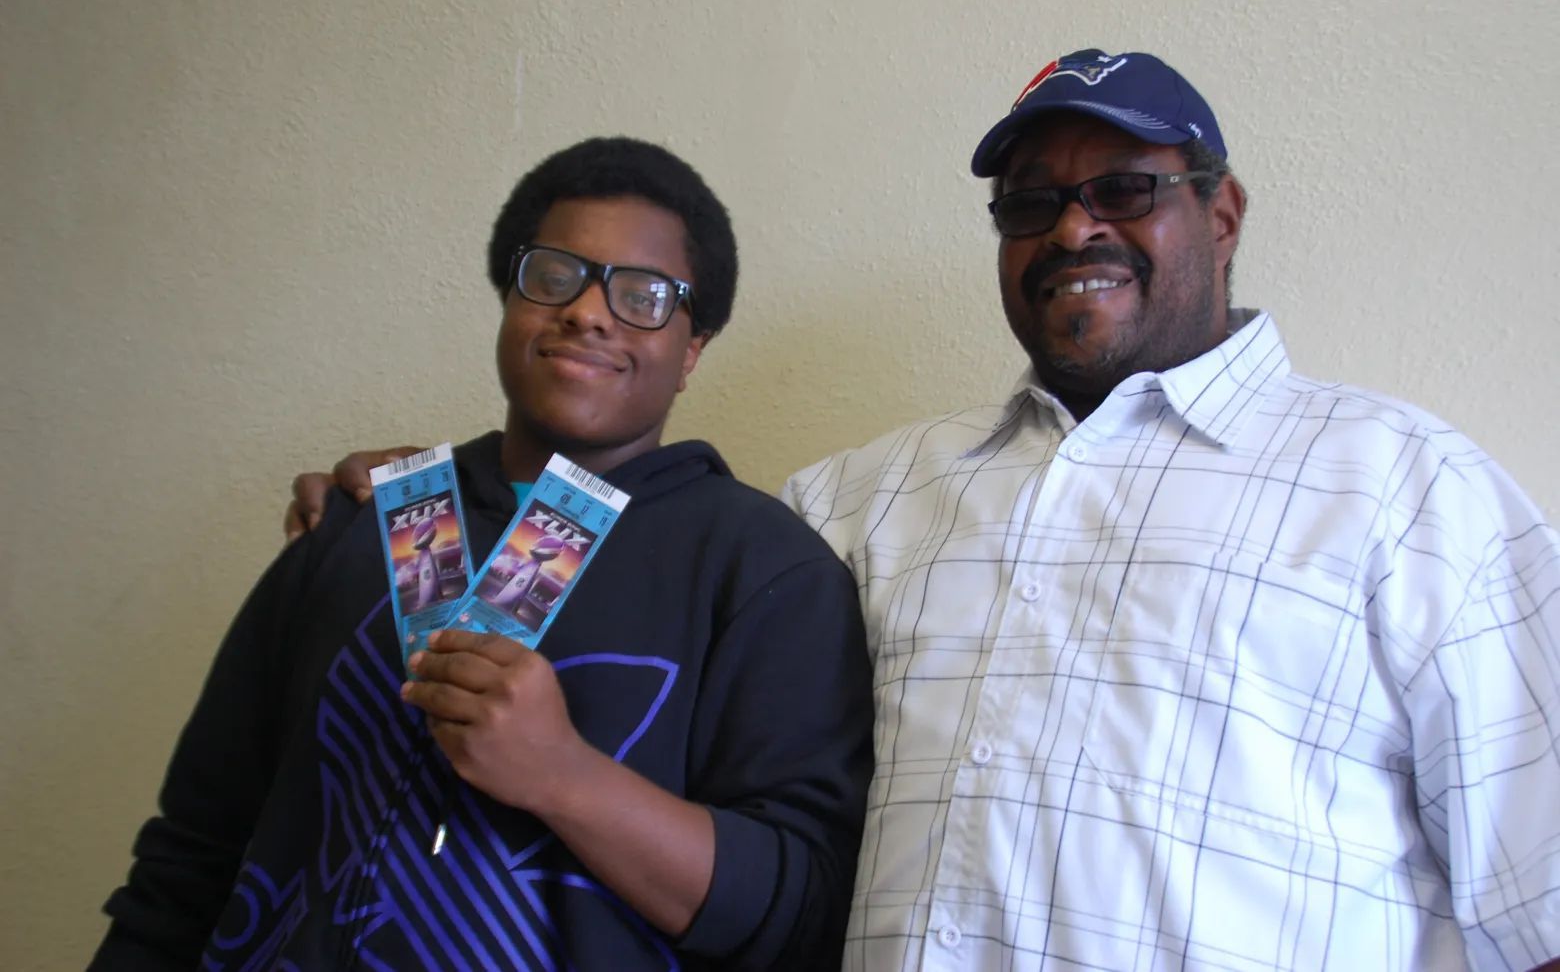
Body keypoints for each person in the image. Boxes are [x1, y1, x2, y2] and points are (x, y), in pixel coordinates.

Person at [283, 52, 1560, 971]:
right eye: (1030, 202)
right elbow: (643, 582)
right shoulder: (853, 500)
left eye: (1126, 188)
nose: (1074, 226)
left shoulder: (1405, 488)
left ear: (1218, 214)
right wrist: (440, 493)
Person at [93, 136, 874, 971]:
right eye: (554, 274)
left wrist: (562, 774)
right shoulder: (368, 520)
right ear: (509, 297)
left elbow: (803, 908)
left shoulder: (766, 570)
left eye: (643, 295)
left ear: (692, 349)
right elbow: (194, 847)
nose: (588, 310)